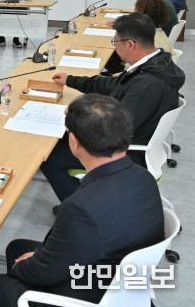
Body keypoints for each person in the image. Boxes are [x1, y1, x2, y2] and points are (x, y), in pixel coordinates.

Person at [0, 94, 164, 307]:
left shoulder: (82, 209)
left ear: (74, 142)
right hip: (118, 279)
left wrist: (25, 267)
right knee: (18, 248)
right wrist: (37, 260)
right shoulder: (143, 177)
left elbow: (46, 273)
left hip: (86, 295)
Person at [41, 13, 184, 202]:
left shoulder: (147, 84)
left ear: (130, 44)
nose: (115, 46)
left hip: (128, 152)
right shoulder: (154, 64)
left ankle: (82, 207)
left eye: (115, 41)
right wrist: (71, 80)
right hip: (138, 136)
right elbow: (112, 85)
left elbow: (115, 130)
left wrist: (78, 114)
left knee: (50, 159)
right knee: (58, 139)